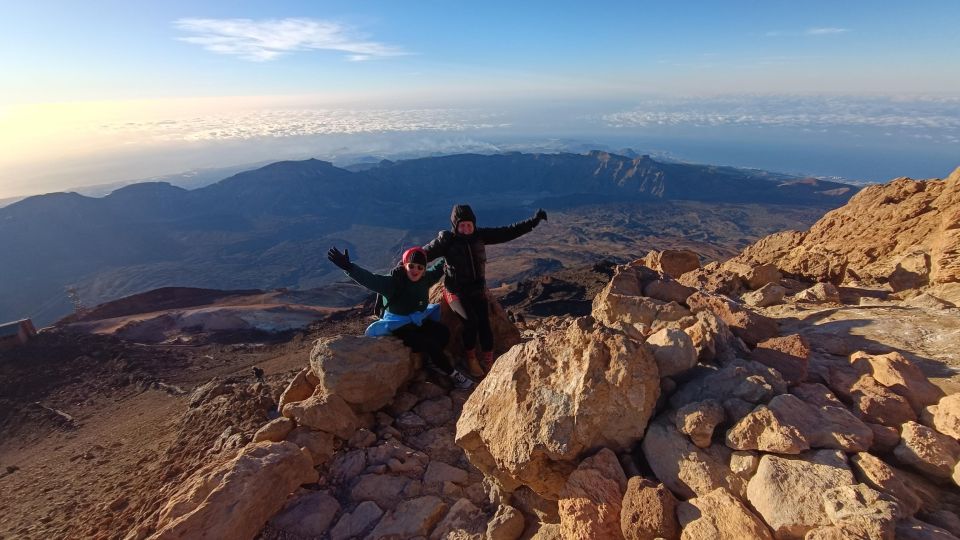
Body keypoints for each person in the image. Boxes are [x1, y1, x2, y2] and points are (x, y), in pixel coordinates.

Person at [423, 204, 547, 376]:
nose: (466, 229)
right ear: (455, 226)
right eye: (462, 225)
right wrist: (405, 266)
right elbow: (423, 254)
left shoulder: (480, 236)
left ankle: (488, 361)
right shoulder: (447, 241)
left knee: (484, 324)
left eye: (469, 225)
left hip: (477, 289)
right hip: (455, 291)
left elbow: (508, 232)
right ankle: (471, 359)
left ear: (473, 224)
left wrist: (533, 222)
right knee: (470, 322)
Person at [327, 245, 474, 389]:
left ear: (423, 271)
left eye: (420, 267)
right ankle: (453, 375)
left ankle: (432, 361)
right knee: (429, 344)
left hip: (416, 320)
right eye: (412, 266)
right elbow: (370, 279)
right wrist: (348, 267)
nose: (415, 270)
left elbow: (437, 268)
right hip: (398, 325)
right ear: (405, 265)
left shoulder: (425, 279)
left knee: (443, 332)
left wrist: (451, 254)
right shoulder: (393, 283)